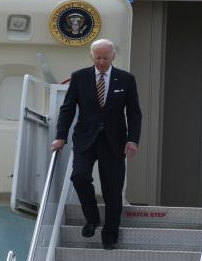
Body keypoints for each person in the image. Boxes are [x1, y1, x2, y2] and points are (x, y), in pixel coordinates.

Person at [51, 39, 142, 250]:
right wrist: (60, 136)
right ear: (91, 56)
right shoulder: (79, 77)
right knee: (79, 176)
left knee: (112, 189)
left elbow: (134, 113)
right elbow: (68, 109)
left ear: (113, 57)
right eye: (98, 57)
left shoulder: (126, 79)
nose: (101, 62)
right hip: (85, 138)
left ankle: (110, 234)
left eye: (105, 58)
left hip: (114, 141)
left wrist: (133, 140)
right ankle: (92, 218)